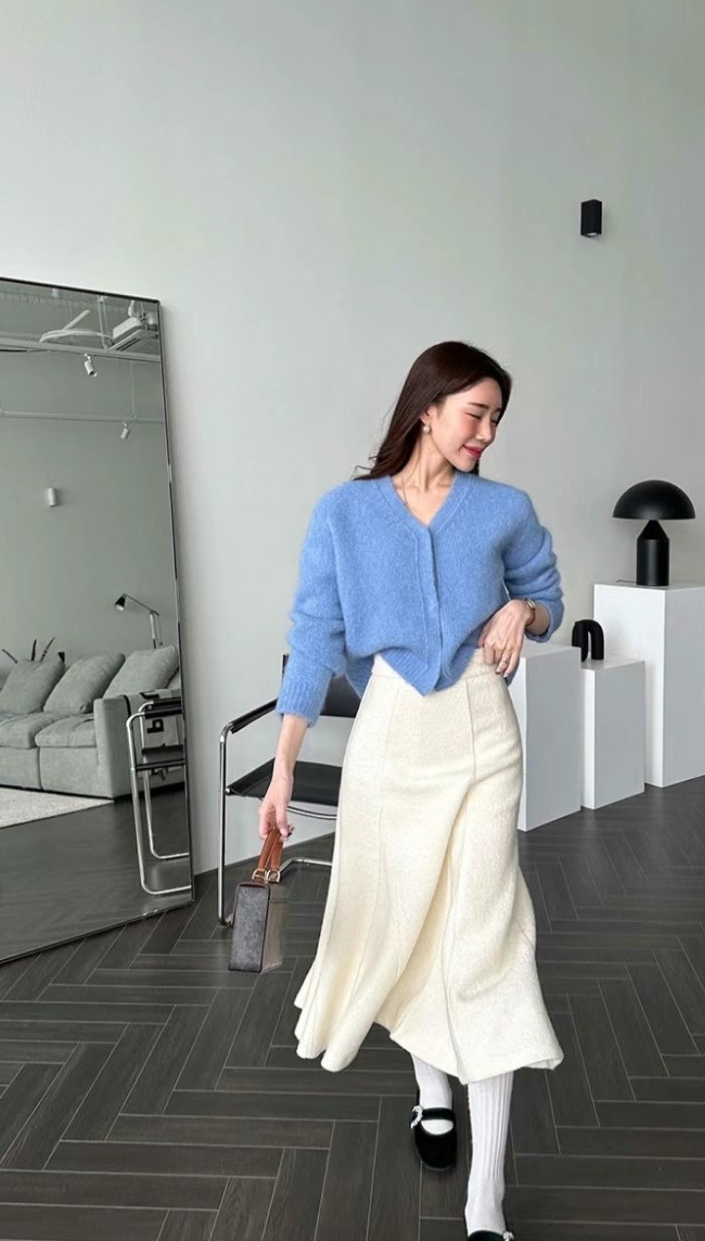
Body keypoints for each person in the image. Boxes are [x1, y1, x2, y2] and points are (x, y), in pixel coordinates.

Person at [261, 341, 565, 1241]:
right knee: (403, 919)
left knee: (483, 940)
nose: (487, 432)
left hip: (481, 732)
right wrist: (283, 769)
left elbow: (547, 598)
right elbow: (315, 639)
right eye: (475, 413)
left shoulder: (504, 508)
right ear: (426, 408)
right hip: (391, 735)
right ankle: (432, 1094)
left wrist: (520, 610)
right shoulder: (344, 513)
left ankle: (485, 1201)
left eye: (497, 418)